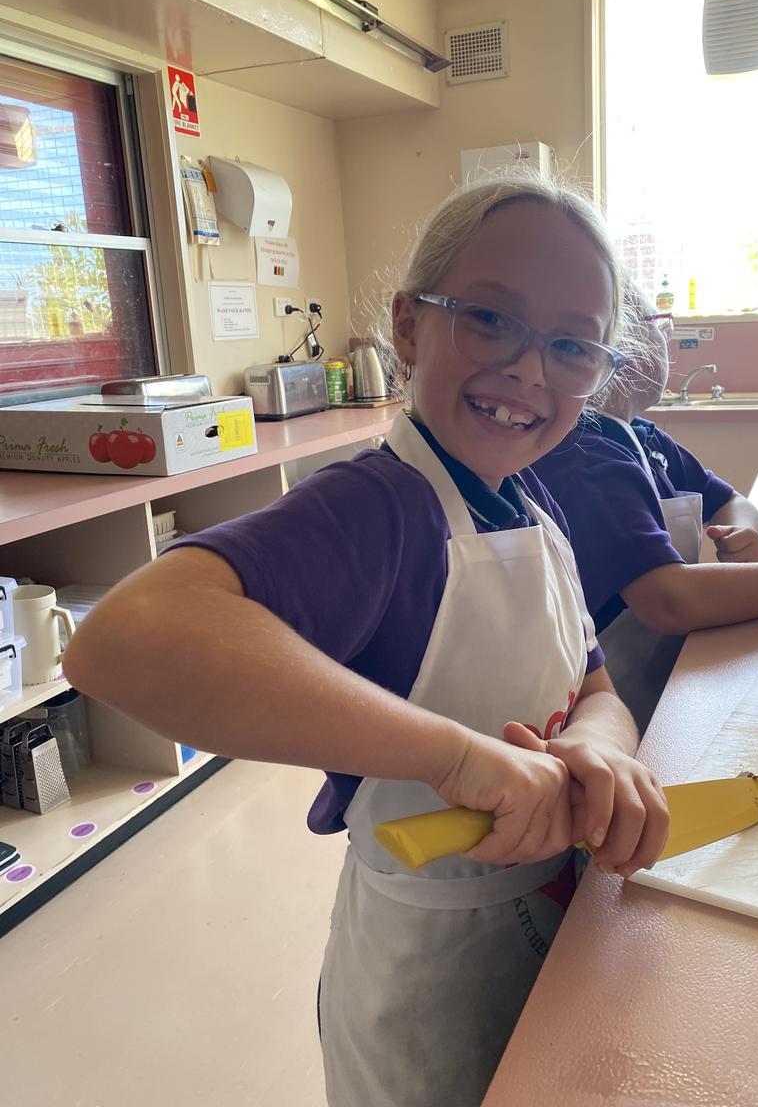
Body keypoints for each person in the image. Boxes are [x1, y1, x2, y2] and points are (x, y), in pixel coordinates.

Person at [63, 175, 670, 1107]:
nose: (530, 372)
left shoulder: (532, 500)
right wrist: (458, 760)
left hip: (549, 925)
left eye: (571, 346)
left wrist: (601, 748)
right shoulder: (379, 508)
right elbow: (122, 641)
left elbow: (596, 686)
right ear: (410, 327)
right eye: (490, 319)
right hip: (427, 976)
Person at [534, 288, 758, 734]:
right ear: (623, 346)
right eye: (660, 325)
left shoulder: (644, 437)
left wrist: (743, 533)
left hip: (667, 671)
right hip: (615, 705)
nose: (667, 339)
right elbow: (669, 601)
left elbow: (731, 501)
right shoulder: (588, 460)